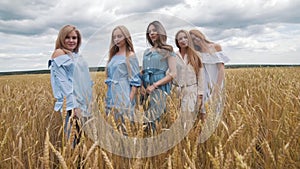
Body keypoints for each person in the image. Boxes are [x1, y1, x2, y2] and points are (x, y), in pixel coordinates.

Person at [49, 24, 93, 146]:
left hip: (83, 102)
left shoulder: (77, 55)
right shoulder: (59, 53)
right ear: (61, 39)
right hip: (71, 105)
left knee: (83, 141)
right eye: (67, 37)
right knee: (74, 142)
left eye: (74, 38)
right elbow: (64, 83)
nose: (71, 40)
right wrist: (75, 106)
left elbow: (85, 80)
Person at [140, 21, 176, 131]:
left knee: (159, 118)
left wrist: (155, 85)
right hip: (146, 87)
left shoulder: (168, 50)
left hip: (160, 86)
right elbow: (143, 70)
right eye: (149, 31)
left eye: (154, 30)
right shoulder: (146, 52)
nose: (151, 33)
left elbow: (173, 73)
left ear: (161, 32)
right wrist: (142, 86)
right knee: (147, 117)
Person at [105, 25, 141, 129]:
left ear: (126, 37)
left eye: (119, 36)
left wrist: (129, 99)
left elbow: (135, 80)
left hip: (124, 92)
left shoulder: (130, 55)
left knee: (125, 125)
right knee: (113, 125)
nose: (116, 39)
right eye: (114, 37)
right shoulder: (113, 55)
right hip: (111, 93)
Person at [189, 29, 230, 117]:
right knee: (203, 109)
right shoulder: (197, 52)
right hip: (203, 83)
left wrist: (217, 88)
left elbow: (221, 68)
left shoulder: (215, 47)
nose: (196, 40)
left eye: (196, 36)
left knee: (215, 108)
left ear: (201, 35)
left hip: (215, 82)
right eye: (193, 40)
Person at [173, 30, 204, 124]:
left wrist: (200, 93)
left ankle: (189, 137)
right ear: (177, 42)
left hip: (191, 90)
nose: (183, 40)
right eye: (180, 39)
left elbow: (200, 75)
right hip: (176, 91)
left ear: (189, 39)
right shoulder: (174, 56)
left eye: (185, 37)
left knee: (188, 118)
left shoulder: (196, 55)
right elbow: (170, 73)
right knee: (177, 118)